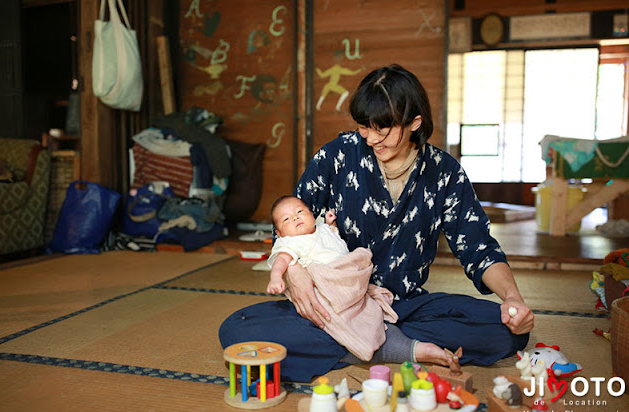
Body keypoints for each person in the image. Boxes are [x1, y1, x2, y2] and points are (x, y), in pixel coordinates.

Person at [219, 64, 534, 383]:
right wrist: (295, 273)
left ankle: (376, 341)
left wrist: (512, 298)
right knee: (238, 330)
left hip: (406, 304)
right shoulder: (338, 155)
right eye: (363, 127)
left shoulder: (444, 173)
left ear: (414, 123)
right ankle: (396, 346)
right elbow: (286, 225)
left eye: (381, 129)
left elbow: (479, 250)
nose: (369, 138)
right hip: (337, 305)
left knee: (507, 331)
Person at [266, 195, 399, 361]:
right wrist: (276, 278)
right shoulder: (290, 243)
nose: (295, 217)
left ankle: (368, 321)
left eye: (300, 211)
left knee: (361, 255)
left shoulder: (322, 229)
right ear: (279, 233)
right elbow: (281, 261)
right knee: (337, 316)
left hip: (347, 274)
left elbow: (335, 242)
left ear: (312, 214)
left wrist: (331, 224)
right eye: (286, 219)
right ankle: (359, 338)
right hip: (327, 283)